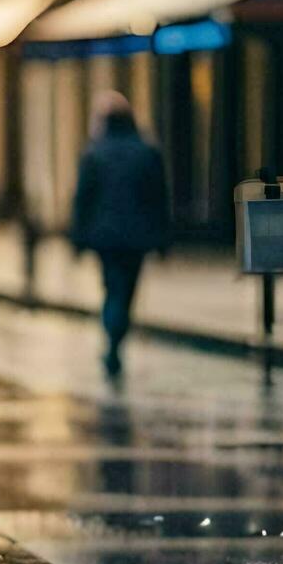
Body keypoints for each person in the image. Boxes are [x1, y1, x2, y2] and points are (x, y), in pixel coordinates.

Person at [70, 90, 170, 379]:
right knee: (126, 291)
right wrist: (162, 239)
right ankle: (116, 336)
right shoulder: (147, 151)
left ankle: (113, 339)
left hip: (105, 238)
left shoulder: (94, 153)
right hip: (136, 238)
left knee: (112, 288)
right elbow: (159, 198)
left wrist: (78, 239)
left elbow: (82, 200)